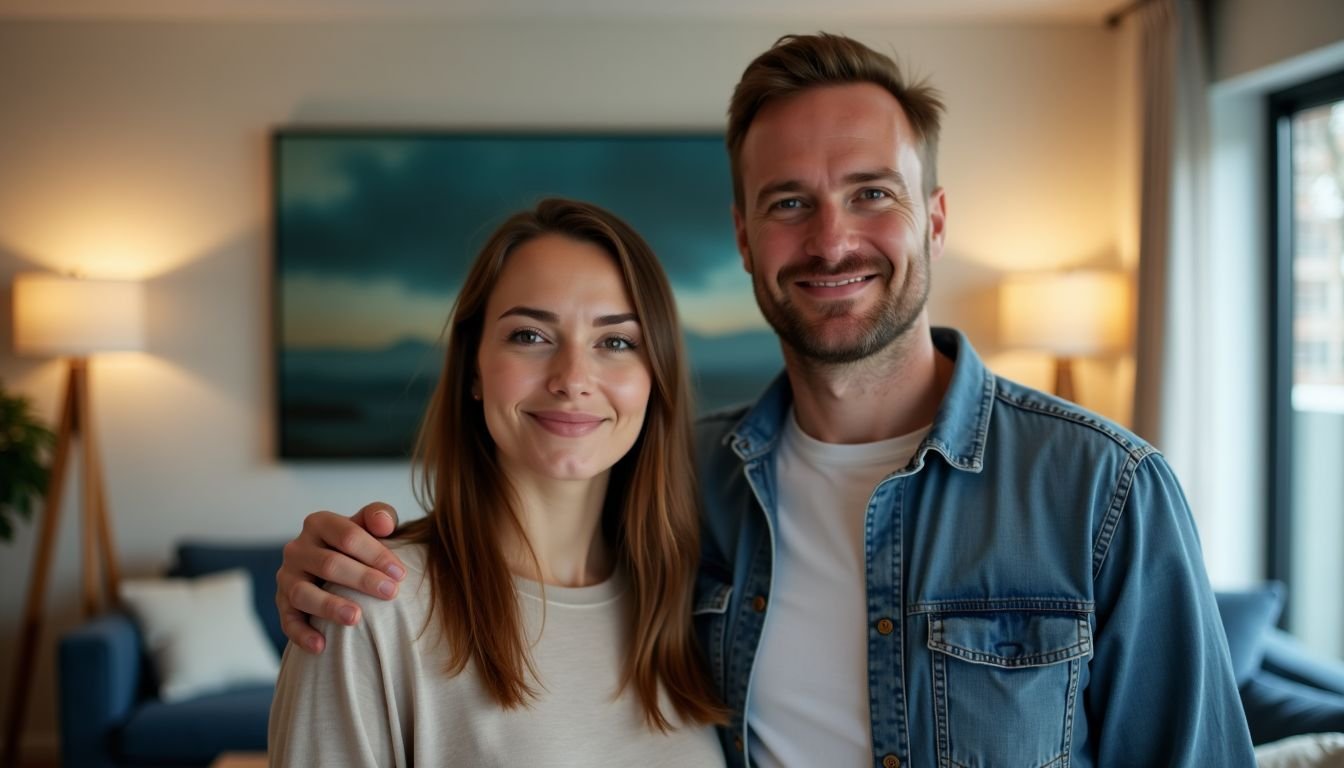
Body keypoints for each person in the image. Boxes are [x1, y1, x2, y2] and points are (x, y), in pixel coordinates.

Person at [273, 34, 1257, 767]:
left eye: (871, 192)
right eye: (790, 202)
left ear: (936, 218)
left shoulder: (1104, 493)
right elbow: (518, 539)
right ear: (744, 236)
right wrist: (334, 564)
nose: (832, 240)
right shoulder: (690, 490)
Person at [267, 198, 727, 766]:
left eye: (616, 342)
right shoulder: (374, 607)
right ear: (473, 372)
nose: (573, 379)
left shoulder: (695, 604)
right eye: (530, 336)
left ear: (655, 376)